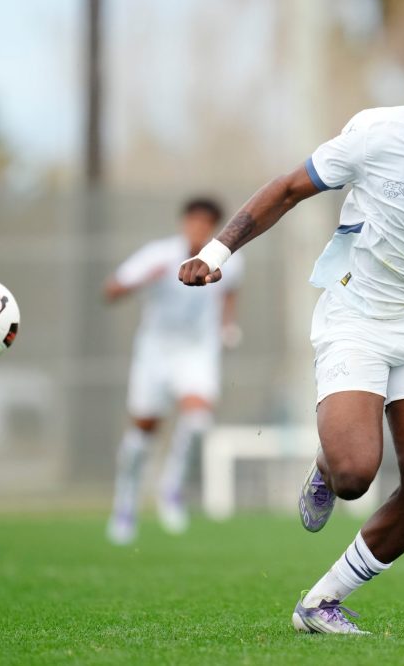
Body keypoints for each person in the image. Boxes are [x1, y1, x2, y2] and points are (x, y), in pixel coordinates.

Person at [180, 42, 404, 633]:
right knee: (353, 475)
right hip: (357, 312)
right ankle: (326, 463)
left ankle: (321, 602)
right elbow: (288, 189)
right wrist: (215, 253)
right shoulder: (376, 134)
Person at [105, 197, 243, 545]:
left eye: (206, 223)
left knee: (199, 421)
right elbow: (111, 290)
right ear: (184, 223)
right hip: (155, 352)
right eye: (194, 221)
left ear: (213, 227)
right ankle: (125, 503)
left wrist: (228, 324)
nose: (199, 228)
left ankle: (171, 487)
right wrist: (140, 280)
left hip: (197, 351)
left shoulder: (229, 259)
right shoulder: (159, 255)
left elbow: (230, 290)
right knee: (143, 432)